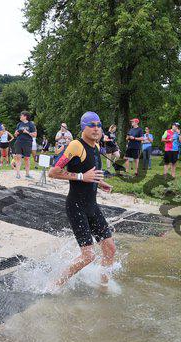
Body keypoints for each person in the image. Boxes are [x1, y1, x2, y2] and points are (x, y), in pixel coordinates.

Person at [48, 111, 115, 290]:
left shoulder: (96, 146)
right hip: (76, 206)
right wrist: (81, 176)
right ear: (83, 127)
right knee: (88, 256)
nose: (96, 128)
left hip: (92, 206)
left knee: (110, 249)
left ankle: (103, 286)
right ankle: (54, 285)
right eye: (91, 125)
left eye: (99, 125)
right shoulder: (76, 145)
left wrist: (99, 182)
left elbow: (89, 173)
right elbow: (53, 172)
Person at [14, 111, 37, 179]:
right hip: (19, 142)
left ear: (25, 116)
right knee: (18, 157)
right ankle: (18, 174)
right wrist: (16, 133)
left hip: (27, 142)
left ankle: (27, 174)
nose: (20, 116)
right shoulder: (19, 124)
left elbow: (35, 135)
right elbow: (15, 134)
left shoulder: (31, 124)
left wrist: (27, 132)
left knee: (26, 158)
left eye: (21, 115)